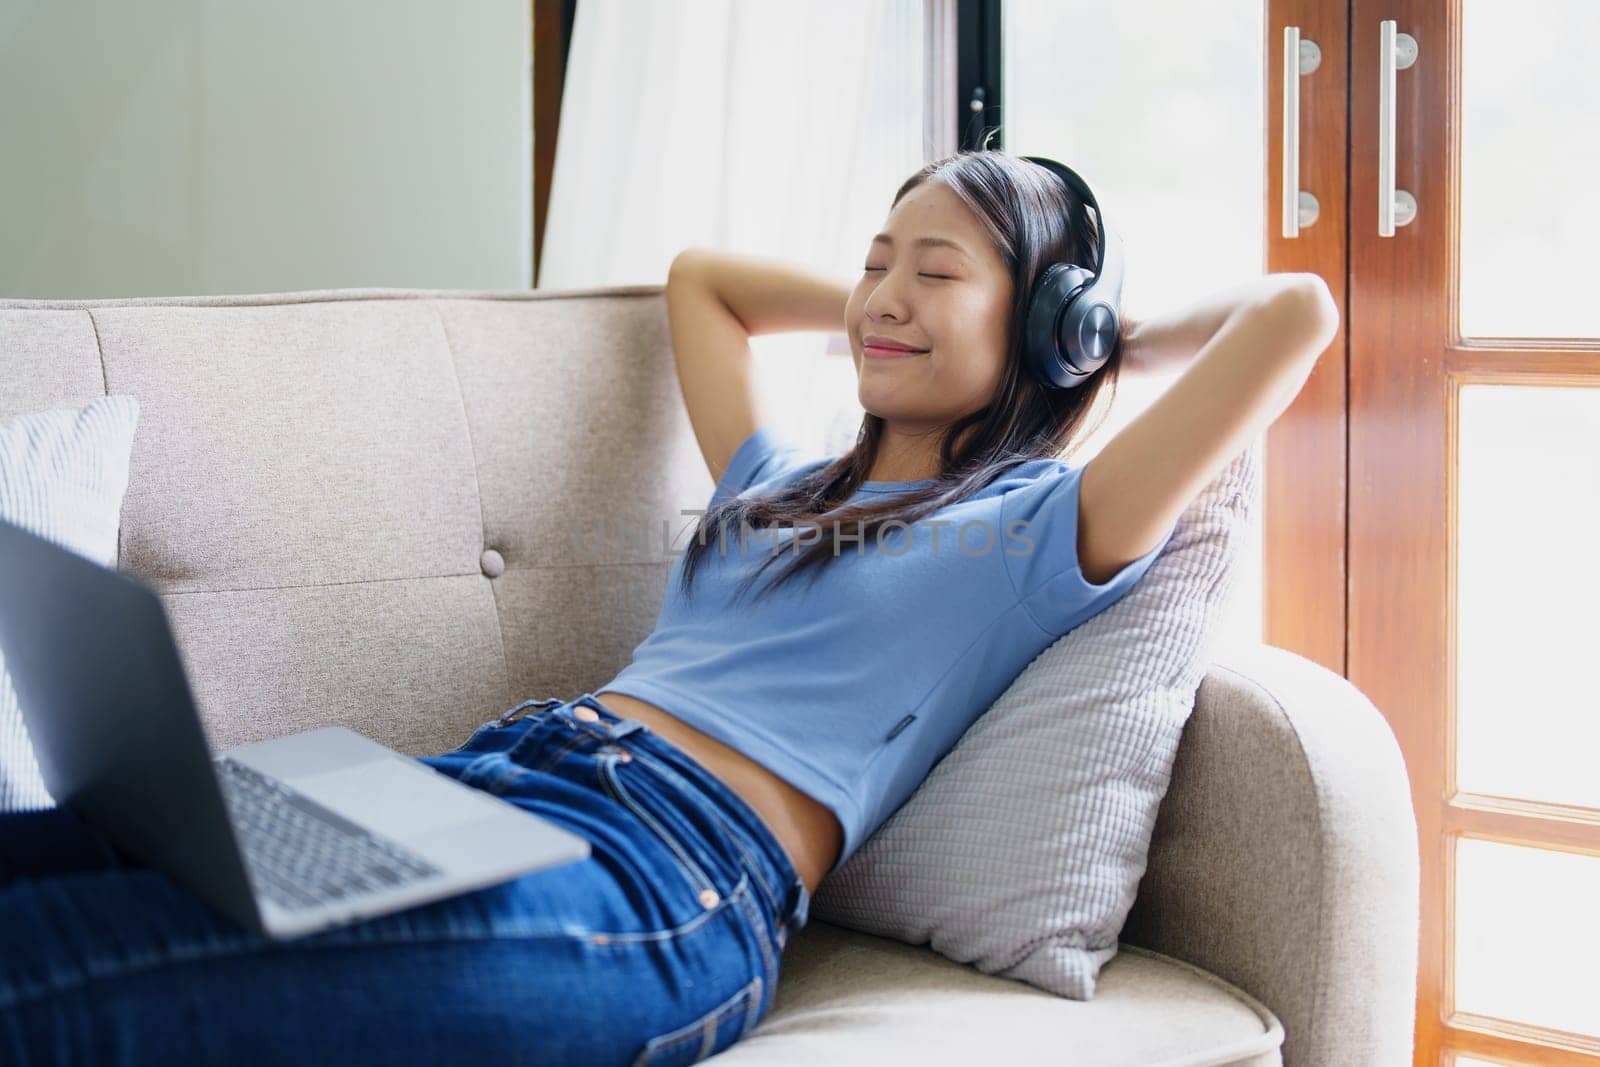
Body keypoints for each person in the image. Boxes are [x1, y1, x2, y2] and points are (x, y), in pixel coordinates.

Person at [0, 149, 1337, 1065]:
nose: (885, 294)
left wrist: (1085, 338)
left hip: (661, 876)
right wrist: (887, 308)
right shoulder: (774, 487)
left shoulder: (1040, 529)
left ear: (1046, 326)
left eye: (937, 272)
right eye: (878, 260)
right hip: (482, 782)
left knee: (52, 988)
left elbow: (1295, 314)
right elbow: (704, 281)